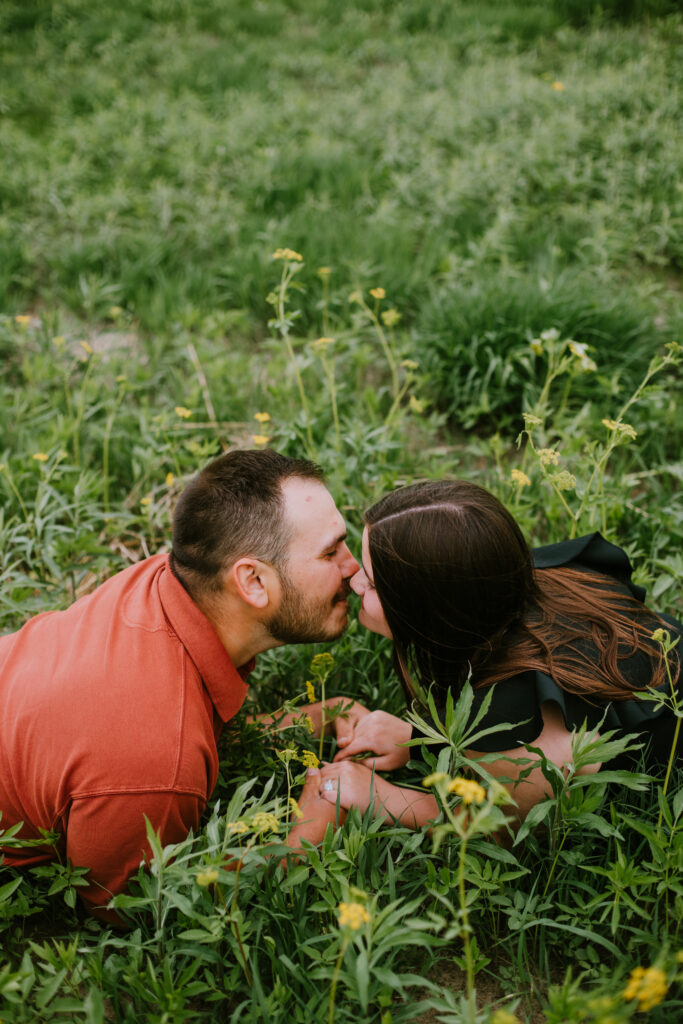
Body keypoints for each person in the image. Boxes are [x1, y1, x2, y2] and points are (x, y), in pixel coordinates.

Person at [0, 449, 358, 918]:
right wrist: (304, 838)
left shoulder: (163, 586)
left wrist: (328, 715)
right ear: (250, 581)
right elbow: (132, 907)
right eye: (331, 552)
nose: (353, 567)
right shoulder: (156, 763)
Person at [310, 479, 682, 829]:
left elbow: (498, 827)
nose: (354, 580)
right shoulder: (498, 584)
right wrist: (420, 739)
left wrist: (383, 797)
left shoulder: (522, 721)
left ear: (435, 610)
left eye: (373, 582)